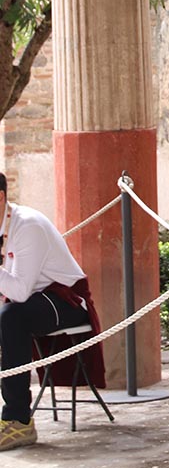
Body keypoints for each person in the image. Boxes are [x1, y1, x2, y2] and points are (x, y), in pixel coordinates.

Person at [0, 173, 105, 450]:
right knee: (9, 316)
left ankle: (18, 419)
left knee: (10, 318)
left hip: (66, 301)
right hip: (33, 300)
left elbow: (20, 291)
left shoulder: (27, 225)